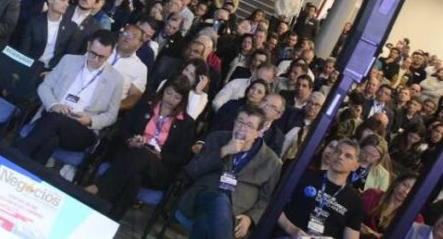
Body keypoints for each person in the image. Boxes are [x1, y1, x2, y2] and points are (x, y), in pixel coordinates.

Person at [92, 76, 196, 221]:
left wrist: (160, 155)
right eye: (169, 93)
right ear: (163, 91)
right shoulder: (146, 105)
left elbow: (182, 157)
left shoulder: (186, 123)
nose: (170, 99)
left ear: (182, 101)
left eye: (177, 97)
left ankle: (98, 189)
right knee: (134, 178)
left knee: (142, 156)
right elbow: (123, 128)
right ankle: (110, 221)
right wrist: (131, 141)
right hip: (131, 157)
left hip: (158, 169)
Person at [13, 32, 123, 164]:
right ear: (88, 46)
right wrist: (54, 105)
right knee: (51, 140)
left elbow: (111, 115)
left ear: (110, 55)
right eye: (93, 54)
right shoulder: (69, 61)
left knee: (54, 121)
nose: (96, 60)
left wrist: (91, 120)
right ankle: (30, 172)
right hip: (54, 116)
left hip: (81, 130)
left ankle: (16, 154)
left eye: (102, 57)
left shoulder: (116, 79)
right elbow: (44, 87)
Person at [177, 104, 282, 239]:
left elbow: (265, 199)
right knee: (219, 200)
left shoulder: (271, 161)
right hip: (203, 195)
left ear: (258, 132)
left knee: (205, 221)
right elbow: (193, 170)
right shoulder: (217, 138)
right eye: (240, 122)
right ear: (234, 122)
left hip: (237, 212)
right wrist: (224, 150)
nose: (242, 128)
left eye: (250, 126)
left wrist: (250, 218)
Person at [278, 138, 364, 239]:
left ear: (355, 166)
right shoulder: (304, 176)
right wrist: (292, 229)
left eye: (348, 156)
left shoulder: (355, 202)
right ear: (331, 155)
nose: (340, 157)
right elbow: (275, 206)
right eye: (338, 151)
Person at [13, 0, 78, 69]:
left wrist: (52, 71)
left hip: (52, 71)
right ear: (50, 0)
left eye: (68, 1)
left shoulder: (71, 27)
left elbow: (68, 56)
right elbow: (24, 50)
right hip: (29, 66)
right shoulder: (34, 22)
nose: (67, 4)